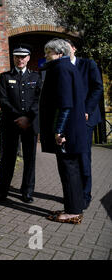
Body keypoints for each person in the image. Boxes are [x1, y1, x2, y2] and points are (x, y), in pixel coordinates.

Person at [39, 38, 88, 224]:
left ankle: (73, 212)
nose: (45, 56)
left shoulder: (60, 69)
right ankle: (74, 207)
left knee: (68, 171)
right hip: (73, 130)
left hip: (67, 132)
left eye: (48, 52)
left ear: (59, 53)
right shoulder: (68, 67)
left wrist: (59, 131)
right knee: (72, 170)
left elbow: (65, 104)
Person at [0, 44, 42, 204]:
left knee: (30, 159)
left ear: (28, 58)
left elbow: (38, 100)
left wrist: (28, 117)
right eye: (17, 56)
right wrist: (19, 117)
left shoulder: (36, 77)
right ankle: (1, 192)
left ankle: (27, 191)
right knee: (7, 159)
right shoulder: (5, 77)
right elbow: (3, 100)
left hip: (30, 124)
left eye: (23, 56)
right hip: (10, 124)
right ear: (13, 58)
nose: (20, 59)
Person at [65, 39, 103, 209]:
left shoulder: (88, 64)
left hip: (86, 118)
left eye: (67, 47)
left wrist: (86, 110)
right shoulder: (62, 67)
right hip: (68, 120)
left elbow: (97, 88)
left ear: (74, 48)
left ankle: (85, 195)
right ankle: (74, 194)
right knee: (70, 158)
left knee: (83, 157)